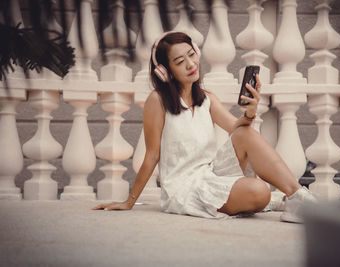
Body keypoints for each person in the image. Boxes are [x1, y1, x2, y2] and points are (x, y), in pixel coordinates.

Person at [93, 31, 316, 223]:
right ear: (165, 71)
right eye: (180, 62)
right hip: (184, 188)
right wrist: (128, 202)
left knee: (246, 133)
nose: (190, 64)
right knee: (260, 192)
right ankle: (280, 200)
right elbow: (151, 155)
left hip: (210, 173)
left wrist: (250, 111)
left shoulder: (207, 98)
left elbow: (238, 128)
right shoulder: (157, 101)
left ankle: (297, 196)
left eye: (191, 55)